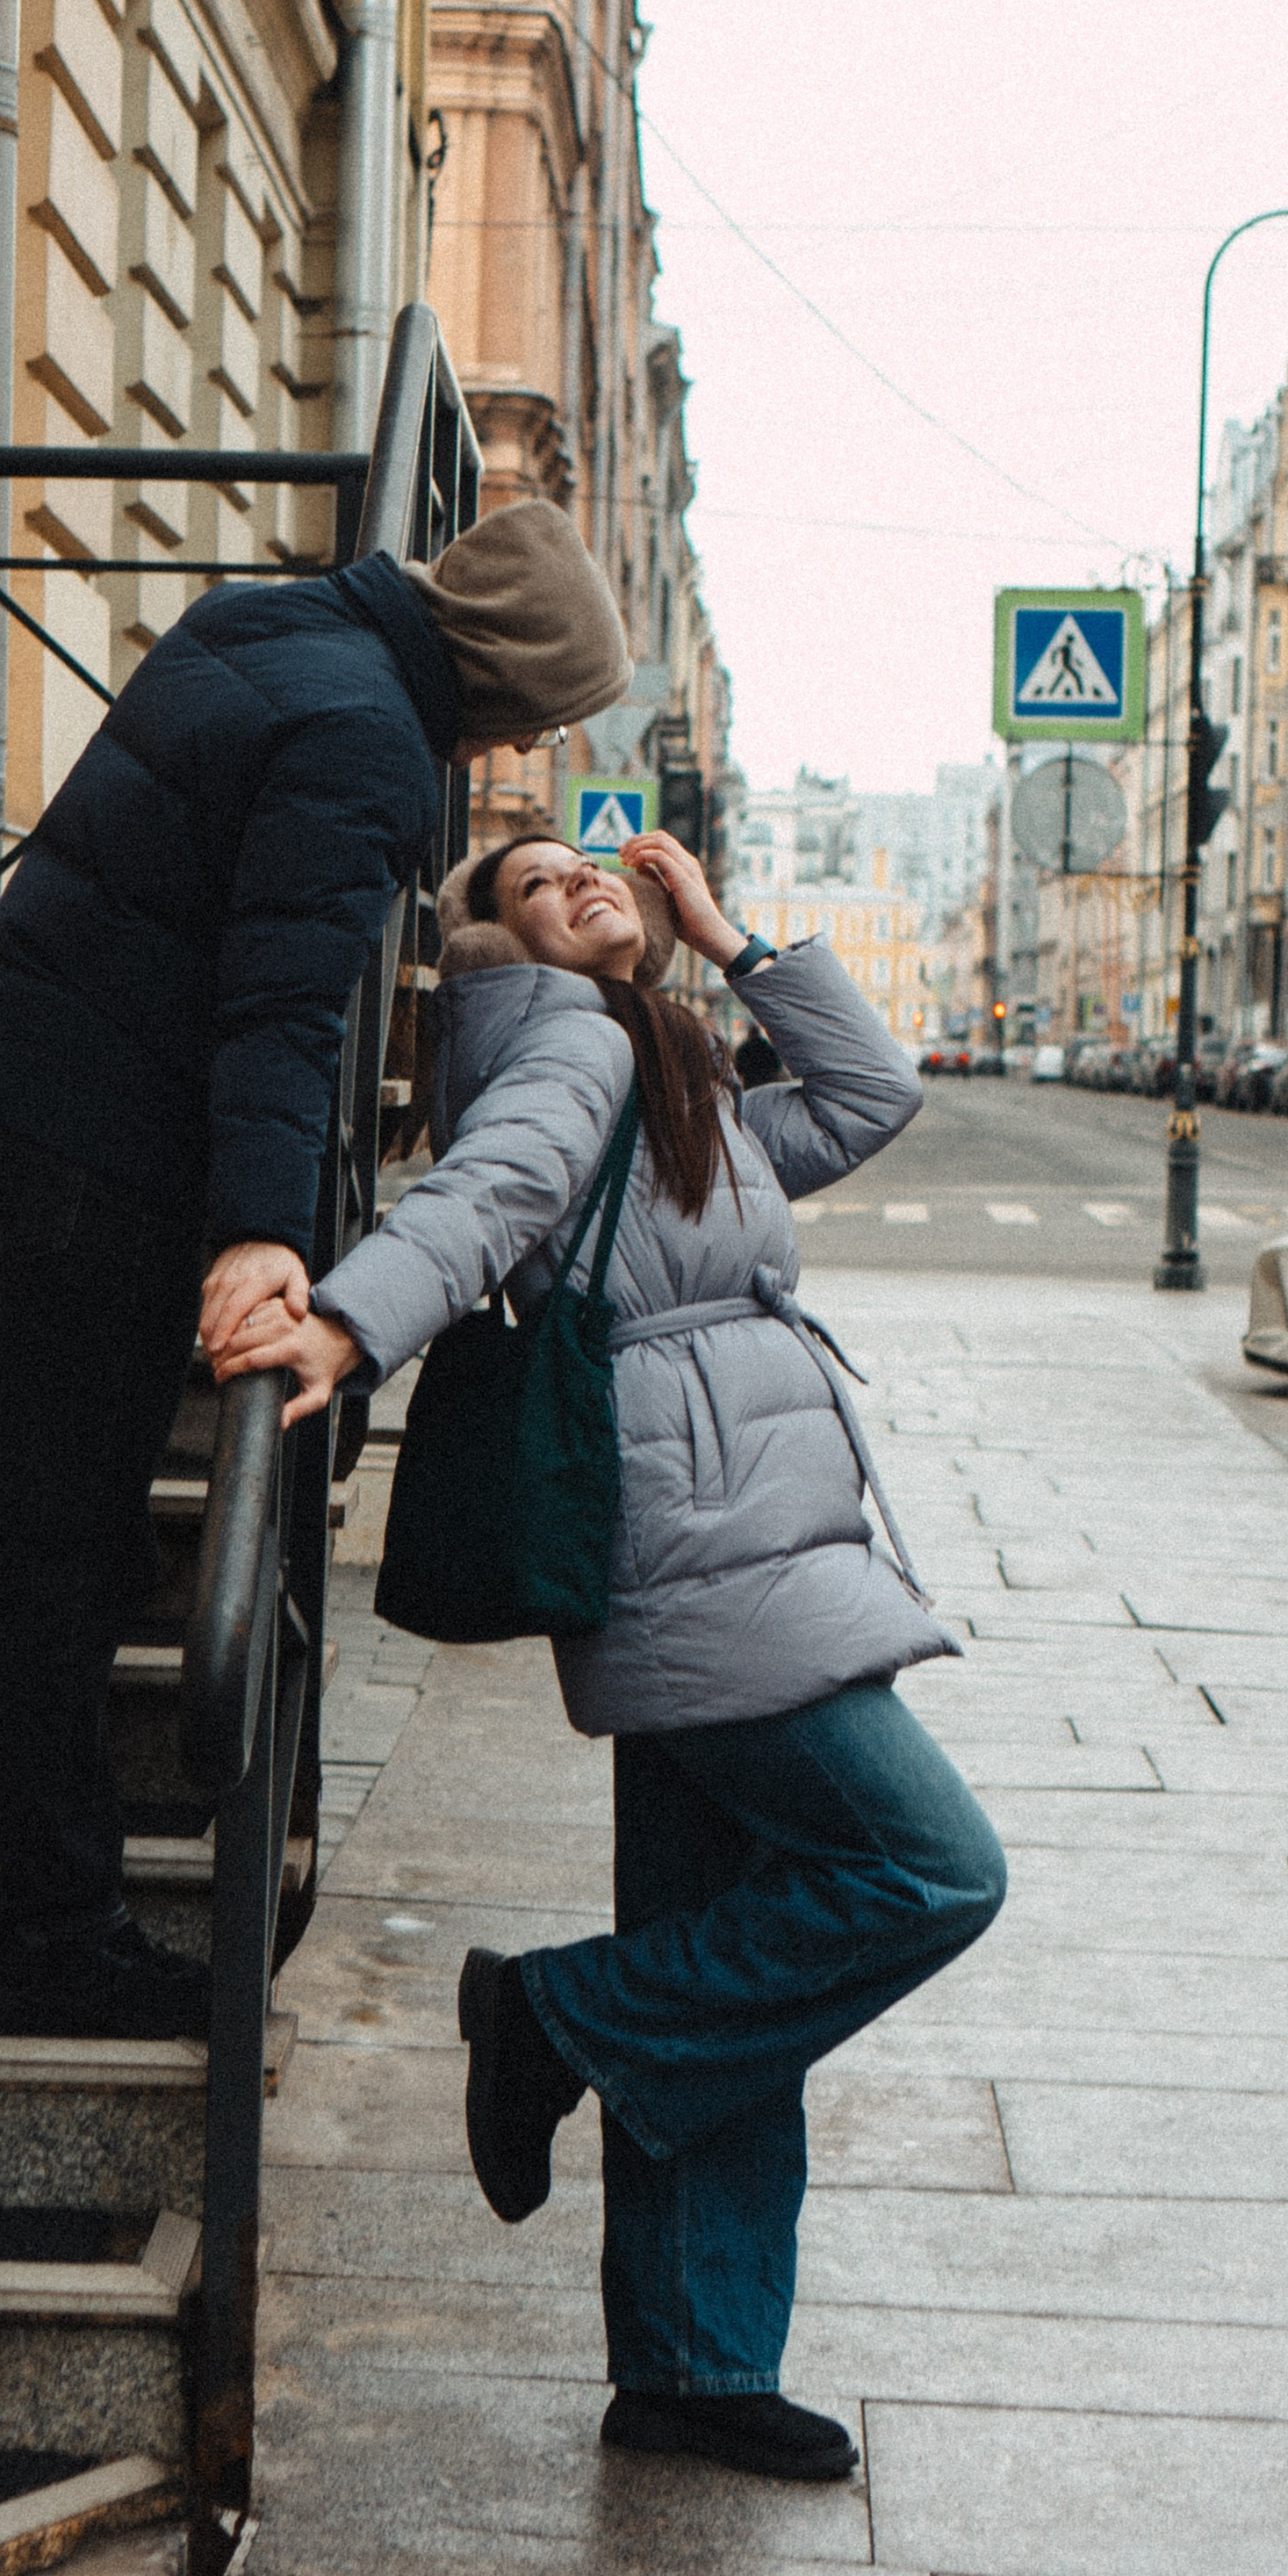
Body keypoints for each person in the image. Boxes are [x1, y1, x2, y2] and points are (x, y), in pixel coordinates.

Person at [0, 502, 631, 2037]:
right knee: (60, 1543)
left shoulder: (259, 620)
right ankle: (57, 1924)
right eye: (541, 713)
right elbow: (281, 1008)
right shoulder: (369, 742)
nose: (517, 744)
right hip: (86, 1154)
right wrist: (263, 1233)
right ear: (505, 673)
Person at [213, 827, 1006, 2482]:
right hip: (706, 1546)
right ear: (496, 948)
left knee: (724, 1972)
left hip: (727, 1531)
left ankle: (692, 2366)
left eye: (593, 864)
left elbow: (871, 1099)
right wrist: (352, 1323)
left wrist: (727, 938)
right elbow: (489, 1192)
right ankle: (552, 2018)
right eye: (530, 884)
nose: (577, 879)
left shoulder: (671, 1064)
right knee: (930, 1870)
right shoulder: (569, 1049)